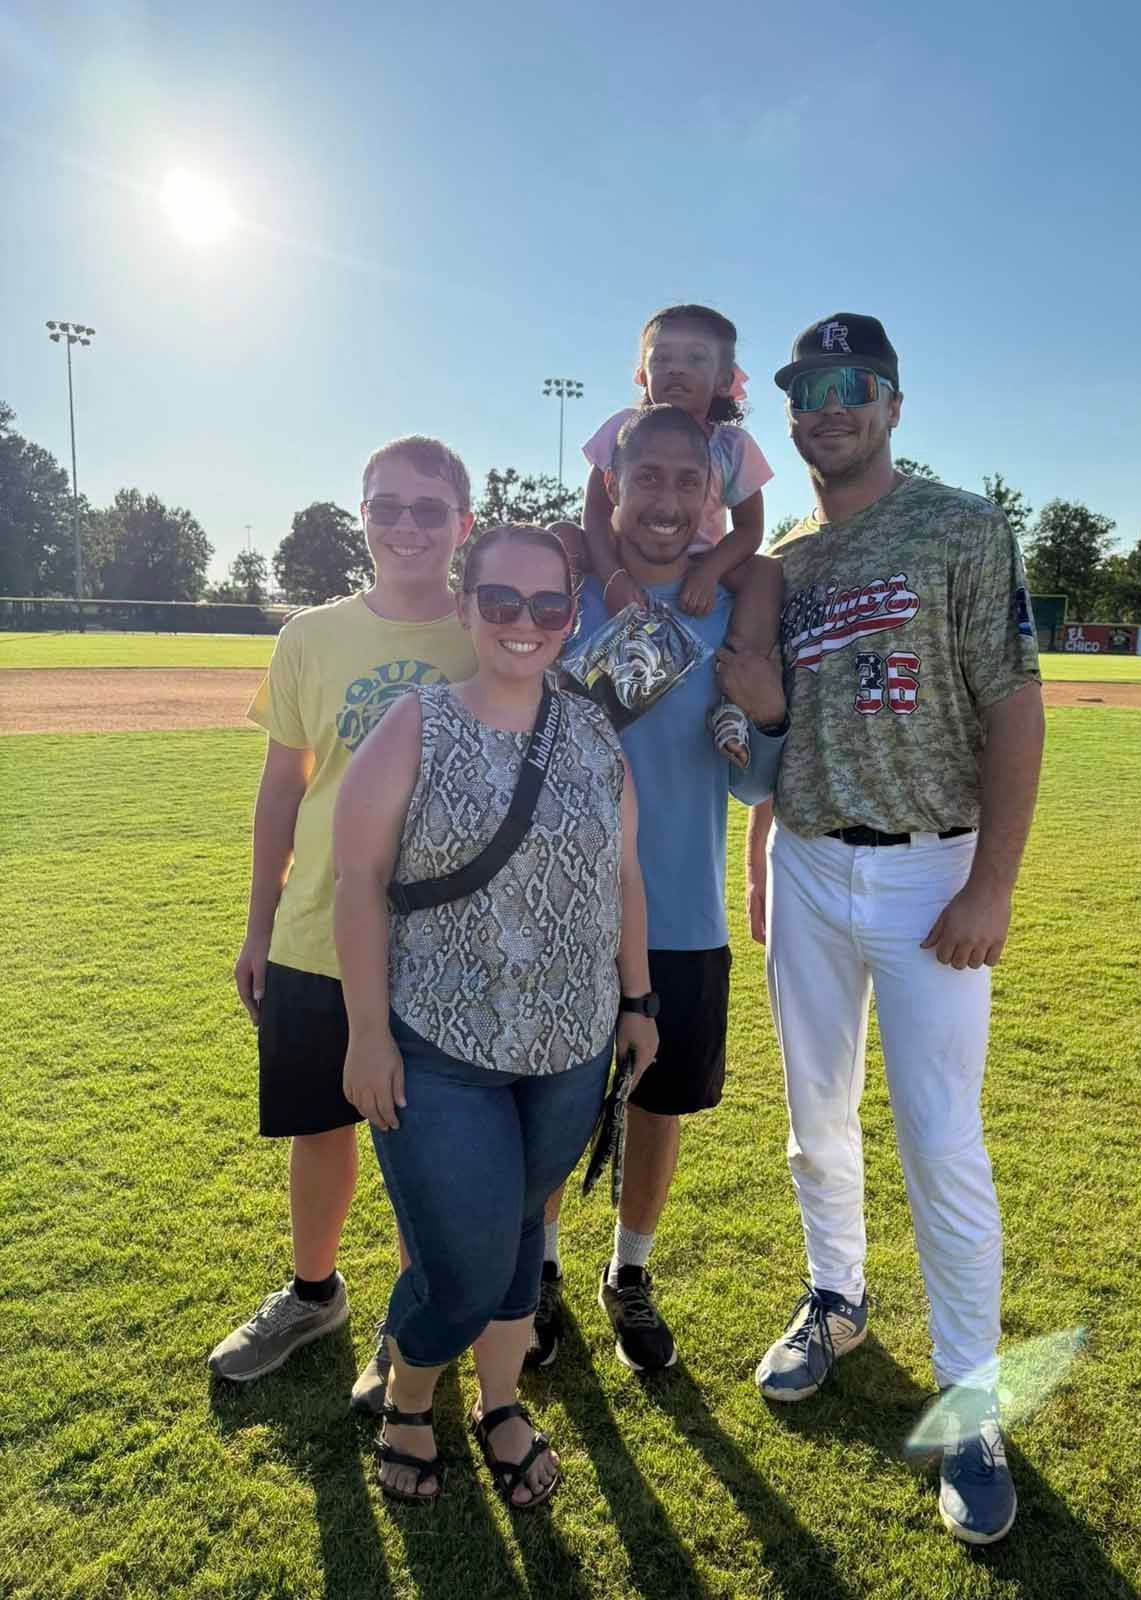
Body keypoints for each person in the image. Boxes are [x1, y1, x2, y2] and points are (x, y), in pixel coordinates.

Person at [747, 314, 1044, 1546]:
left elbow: (1014, 710)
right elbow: (777, 728)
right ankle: (837, 1295)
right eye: (809, 388)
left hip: (933, 874)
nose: (828, 405)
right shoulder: (785, 555)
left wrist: (993, 886)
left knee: (941, 1140)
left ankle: (971, 1401)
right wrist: (764, 854)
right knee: (815, 1115)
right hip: (811, 862)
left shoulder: (964, 525)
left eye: (851, 385)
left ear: (893, 401)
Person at [332, 524, 658, 1508]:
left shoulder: (597, 731)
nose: (525, 623)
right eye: (502, 602)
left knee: (519, 1231)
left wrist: (638, 998)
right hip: (441, 1045)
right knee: (465, 1264)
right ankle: (407, 1400)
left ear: (571, 615)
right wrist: (367, 1031)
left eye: (548, 605)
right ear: (467, 605)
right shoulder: (414, 724)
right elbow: (358, 882)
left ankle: (501, 1401)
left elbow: (625, 875)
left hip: (570, 1045)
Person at [207, 436, 476, 1412]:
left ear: (463, 524)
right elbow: (282, 791)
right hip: (316, 931)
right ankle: (315, 1294)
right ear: (361, 515)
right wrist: (257, 924)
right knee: (319, 1128)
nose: (406, 525)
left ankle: (414, 1319)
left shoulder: (486, 633)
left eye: (428, 509)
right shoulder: (310, 638)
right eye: (386, 506)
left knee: (424, 1147)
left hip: (439, 951)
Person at [528, 404, 788, 1375]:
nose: (669, 499)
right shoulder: (573, 589)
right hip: (559, 908)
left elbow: (756, 781)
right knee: (550, 1103)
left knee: (657, 1106)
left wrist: (764, 716)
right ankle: (541, 1271)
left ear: (714, 492)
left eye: (690, 480)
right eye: (649, 479)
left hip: (683, 913)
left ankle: (629, 1275)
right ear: (615, 487)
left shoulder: (736, 608)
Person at [566, 303, 782, 767]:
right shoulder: (620, 429)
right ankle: (547, 649)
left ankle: (735, 693)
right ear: (642, 373)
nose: (676, 369)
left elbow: (751, 530)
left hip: (704, 564)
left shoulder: (731, 445)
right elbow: (595, 515)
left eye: (696, 359)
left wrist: (711, 573)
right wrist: (612, 580)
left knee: (764, 572)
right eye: (661, 358)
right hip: (627, 555)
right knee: (559, 537)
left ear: (725, 379)